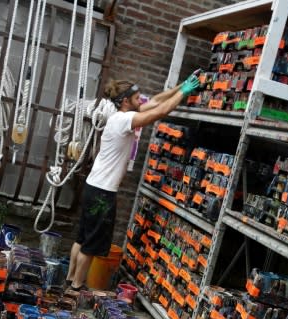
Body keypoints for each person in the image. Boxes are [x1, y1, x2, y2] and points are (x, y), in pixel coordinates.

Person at [66, 72, 201, 290]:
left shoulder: (121, 116)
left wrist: (181, 86)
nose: (142, 101)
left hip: (94, 186)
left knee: (82, 238)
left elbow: (156, 101)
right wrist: (185, 93)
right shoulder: (124, 120)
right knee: (91, 245)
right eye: (138, 98)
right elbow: (161, 111)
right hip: (103, 192)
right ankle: (77, 287)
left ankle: (70, 279)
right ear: (126, 101)